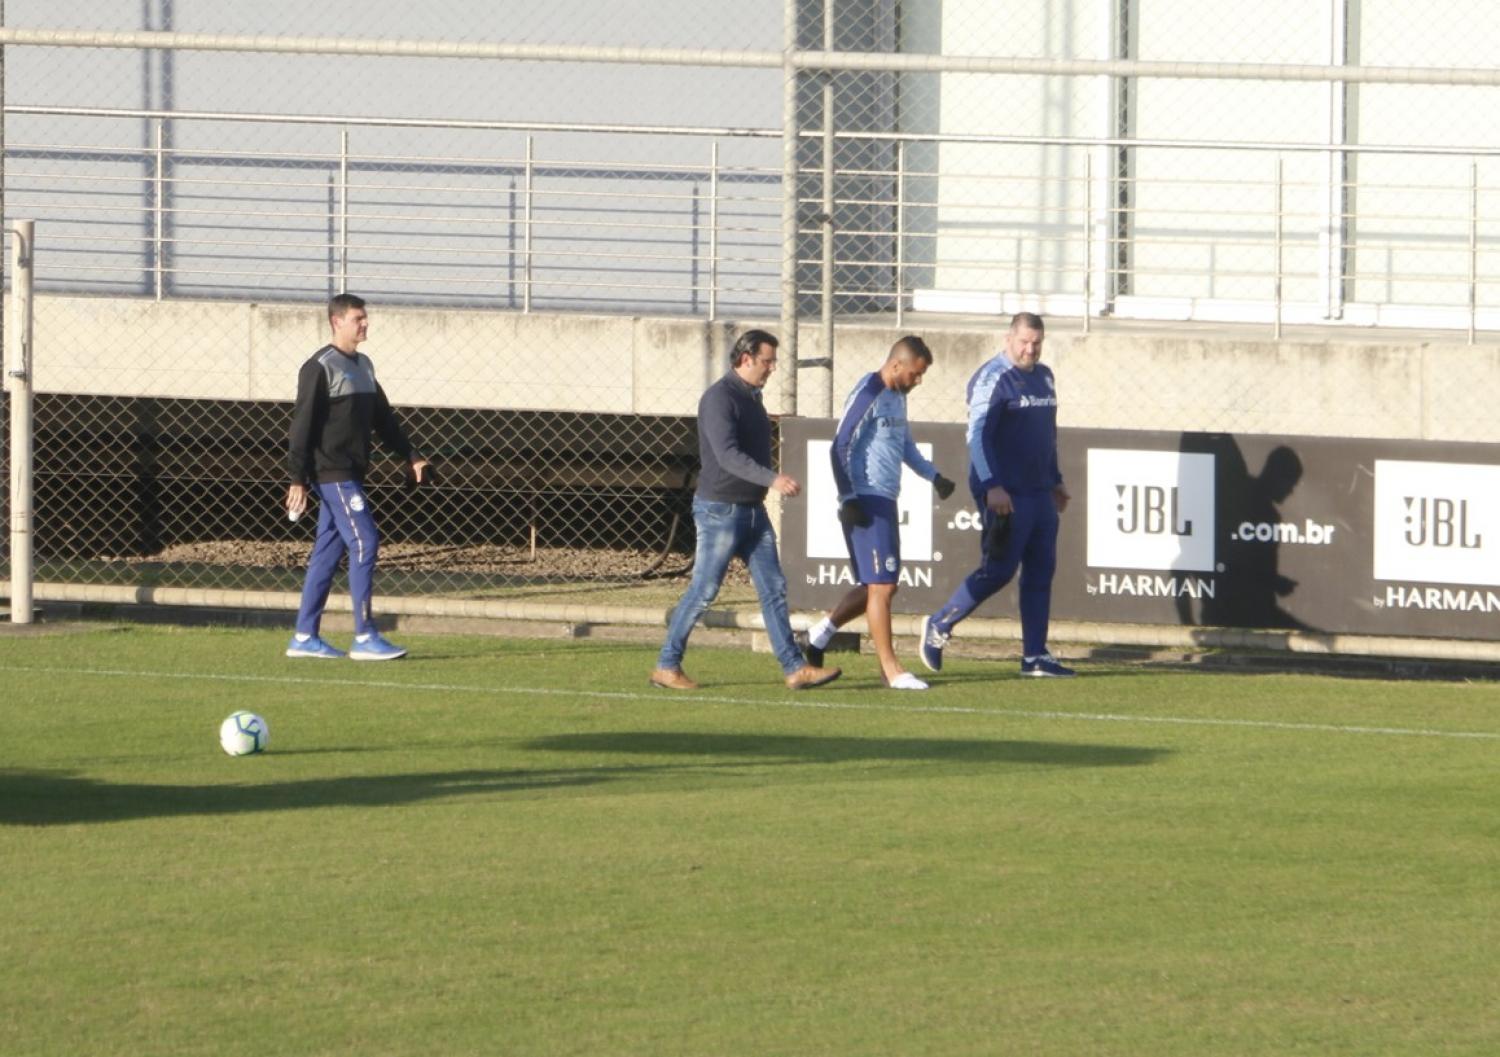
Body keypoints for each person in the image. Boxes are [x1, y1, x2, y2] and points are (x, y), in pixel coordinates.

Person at [651, 329, 842, 691]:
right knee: (704, 590)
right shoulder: (719, 398)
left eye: (773, 361)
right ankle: (667, 664)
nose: (772, 368)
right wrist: (773, 479)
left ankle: (794, 668)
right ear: (746, 358)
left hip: (752, 511)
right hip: (721, 510)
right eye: (767, 361)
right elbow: (727, 455)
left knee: (774, 588)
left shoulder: (751, 397)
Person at [918, 312, 1075, 677]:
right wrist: (992, 486)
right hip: (1005, 491)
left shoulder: (1045, 376)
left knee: (1041, 570)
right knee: (1000, 569)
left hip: (1039, 490)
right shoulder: (993, 378)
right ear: (1009, 339)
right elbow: (977, 437)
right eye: (1023, 342)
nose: (1030, 349)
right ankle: (941, 622)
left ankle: (1035, 656)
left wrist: (1056, 479)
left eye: (1036, 343)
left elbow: (1047, 435)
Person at [802, 336, 956, 690]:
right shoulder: (869, 392)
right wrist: (848, 497)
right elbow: (839, 445)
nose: (918, 382)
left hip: (885, 498)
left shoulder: (897, 399)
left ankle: (819, 635)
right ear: (897, 365)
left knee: (878, 584)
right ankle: (891, 670)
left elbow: (905, 446)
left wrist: (934, 476)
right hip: (865, 499)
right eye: (916, 374)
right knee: (882, 586)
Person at [285, 293, 429, 660]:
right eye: (358, 319)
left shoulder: (364, 365)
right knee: (365, 541)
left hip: (351, 472)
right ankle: (365, 635)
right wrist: (297, 477)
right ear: (337, 322)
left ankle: (304, 637)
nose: (365, 324)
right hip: (332, 473)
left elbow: (384, 419)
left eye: (365, 318)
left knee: (326, 554)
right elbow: (301, 426)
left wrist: (411, 456)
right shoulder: (319, 367)